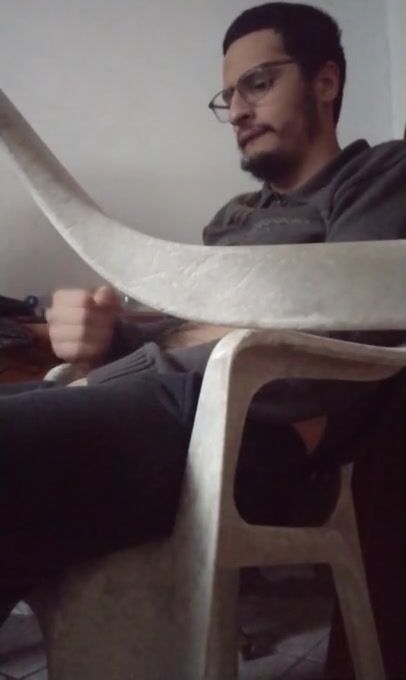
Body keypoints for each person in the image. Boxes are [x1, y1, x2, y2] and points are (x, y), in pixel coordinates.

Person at [1, 1, 405, 623]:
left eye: (258, 83)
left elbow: (331, 339)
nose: (237, 110)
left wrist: (128, 367)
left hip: (255, 431)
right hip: (172, 401)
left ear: (325, 81)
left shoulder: (383, 175)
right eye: (228, 96)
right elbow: (187, 326)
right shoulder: (232, 218)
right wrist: (106, 339)